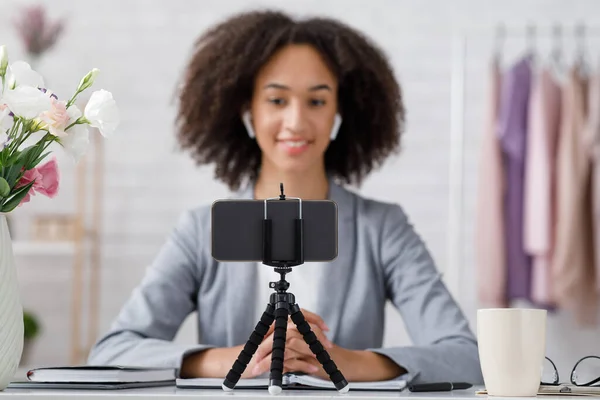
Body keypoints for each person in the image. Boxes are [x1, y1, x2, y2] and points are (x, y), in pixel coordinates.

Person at [88, 9, 483, 384]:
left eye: (316, 101)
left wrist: (344, 362)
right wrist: (234, 359)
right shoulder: (200, 230)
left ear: (339, 113)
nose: (296, 121)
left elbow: (467, 358)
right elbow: (112, 353)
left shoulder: (381, 228)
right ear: (248, 110)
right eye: (277, 100)